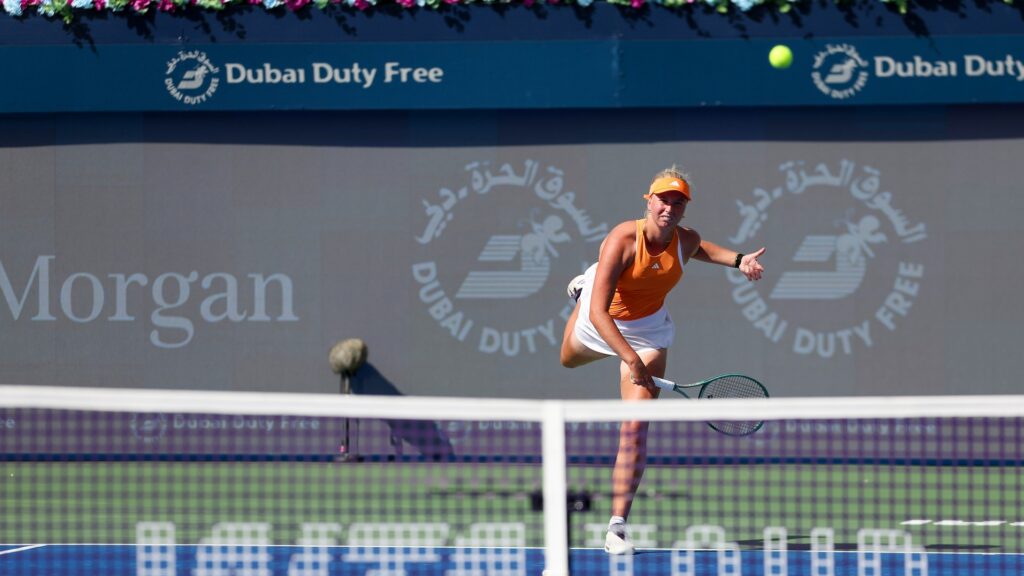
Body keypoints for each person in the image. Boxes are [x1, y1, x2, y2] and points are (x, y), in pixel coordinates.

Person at [559, 166, 766, 555]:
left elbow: (700, 249)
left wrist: (739, 260)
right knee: (568, 360)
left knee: (635, 429)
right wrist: (628, 358)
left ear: (684, 208)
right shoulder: (622, 238)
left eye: (678, 202)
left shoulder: (684, 240)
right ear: (648, 201)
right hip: (601, 319)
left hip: (650, 333)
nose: (669, 207)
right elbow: (602, 316)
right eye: (663, 199)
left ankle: (617, 527)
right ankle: (586, 287)